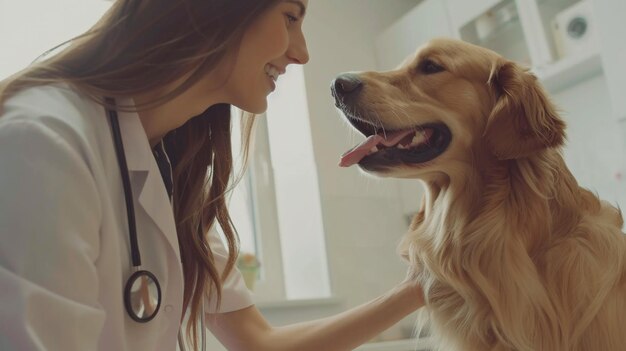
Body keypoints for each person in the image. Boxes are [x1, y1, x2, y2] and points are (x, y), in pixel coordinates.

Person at [0, 0, 424, 350]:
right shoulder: (42, 142)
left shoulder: (173, 177)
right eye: (290, 17)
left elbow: (258, 344)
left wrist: (419, 288)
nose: (302, 53)